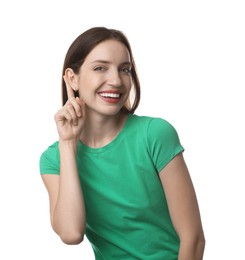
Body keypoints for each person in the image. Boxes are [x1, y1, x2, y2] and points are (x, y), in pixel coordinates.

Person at [39, 27, 205, 260]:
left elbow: (193, 239)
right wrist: (67, 143)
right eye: (100, 68)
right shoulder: (54, 159)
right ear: (72, 78)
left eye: (124, 69)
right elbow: (71, 233)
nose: (116, 80)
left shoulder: (154, 134)